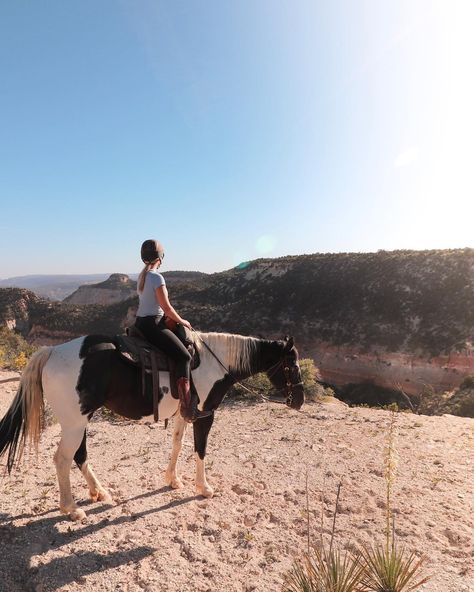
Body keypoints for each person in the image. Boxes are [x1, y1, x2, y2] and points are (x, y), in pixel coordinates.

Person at [135, 239, 209, 422]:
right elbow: (166, 308)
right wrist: (183, 321)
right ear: (160, 257)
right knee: (184, 356)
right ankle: (187, 409)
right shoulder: (157, 277)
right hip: (154, 324)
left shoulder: (142, 277)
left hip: (140, 323)